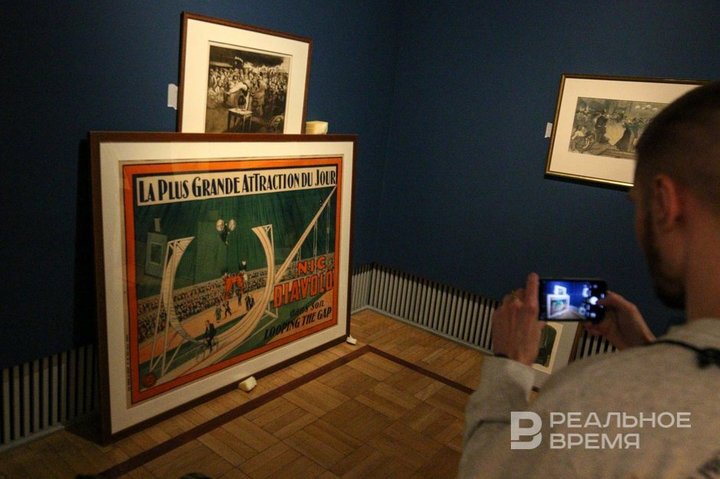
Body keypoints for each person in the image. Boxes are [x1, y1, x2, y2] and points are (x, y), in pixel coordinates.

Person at [458, 81, 720, 479]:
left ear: (664, 203)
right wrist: (648, 349)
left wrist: (509, 367)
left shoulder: (596, 397)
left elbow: (486, 469)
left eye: (637, 204)